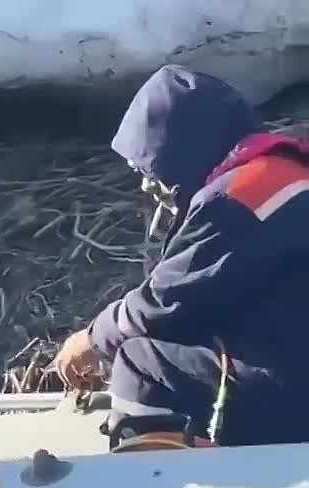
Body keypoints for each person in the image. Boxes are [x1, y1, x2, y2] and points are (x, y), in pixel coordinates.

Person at [54, 64, 309, 448]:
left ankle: (153, 480)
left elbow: (165, 305)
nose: (146, 183)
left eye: (149, 168)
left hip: (295, 388)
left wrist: (92, 340)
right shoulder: (284, 173)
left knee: (142, 363)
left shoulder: (242, 195)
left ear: (182, 151)